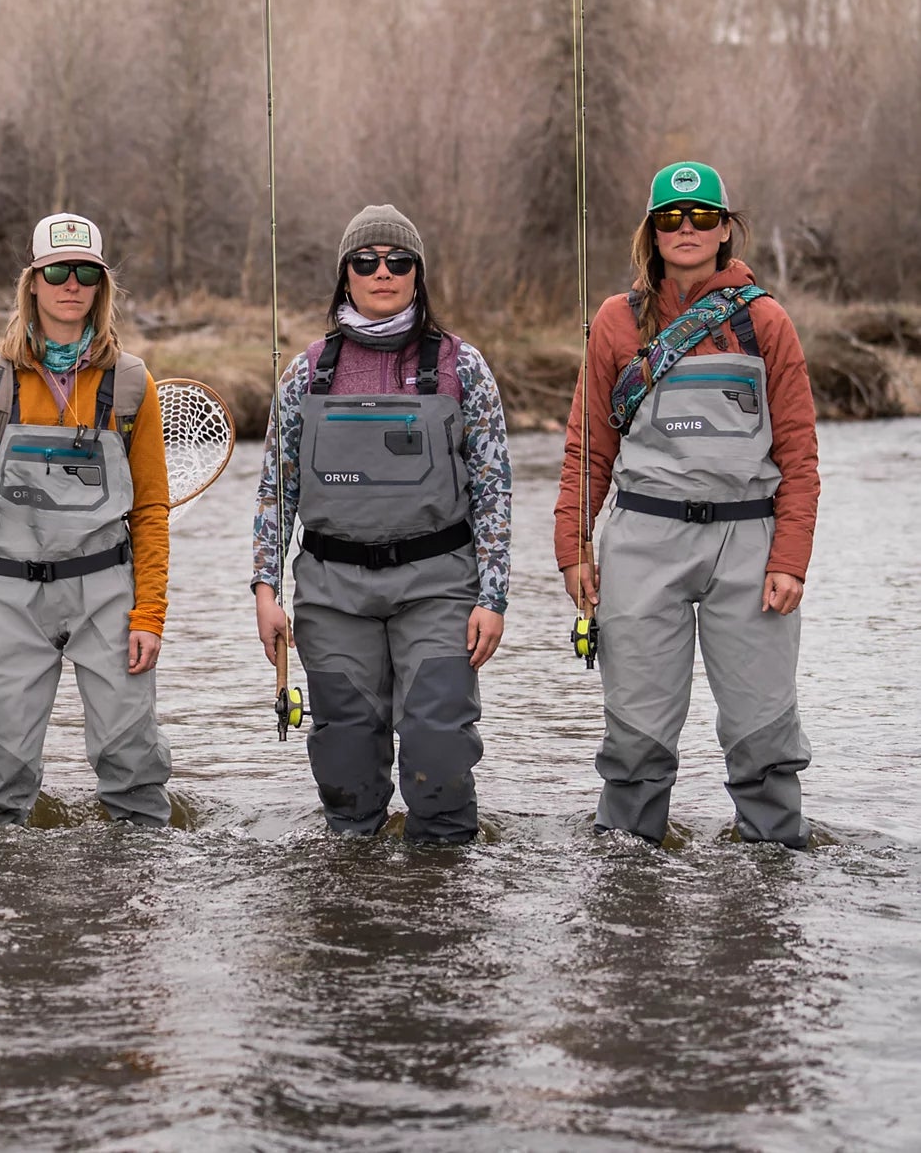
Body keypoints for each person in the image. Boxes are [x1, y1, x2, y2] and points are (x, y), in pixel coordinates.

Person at [554, 162, 819, 848]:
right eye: (671, 218)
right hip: (642, 539)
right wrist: (573, 547)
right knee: (636, 735)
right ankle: (628, 868)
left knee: (763, 729)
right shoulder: (617, 322)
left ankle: (773, 862)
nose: (688, 229)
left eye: (703, 217)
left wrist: (790, 559)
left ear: (726, 229)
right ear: (652, 231)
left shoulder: (767, 322)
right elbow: (588, 448)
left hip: (750, 545)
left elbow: (799, 455)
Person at [252, 204, 512, 843]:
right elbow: (274, 490)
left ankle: (442, 892)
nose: (382, 272)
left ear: (418, 274)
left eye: (399, 261)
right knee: (345, 759)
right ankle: (353, 896)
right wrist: (265, 589)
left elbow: (495, 488)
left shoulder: (462, 366)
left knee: (438, 751)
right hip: (332, 592)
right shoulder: (305, 371)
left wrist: (494, 596)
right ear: (345, 274)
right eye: (365, 262)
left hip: (440, 589)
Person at [0, 212, 172, 826]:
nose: (72, 285)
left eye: (86, 274)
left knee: (132, 762)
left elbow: (150, 509)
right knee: (1, 771)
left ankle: (135, 897)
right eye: (57, 272)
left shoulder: (130, 383)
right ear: (33, 283)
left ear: (101, 287)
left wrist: (150, 612)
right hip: (9, 595)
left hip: (108, 594)